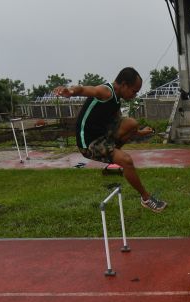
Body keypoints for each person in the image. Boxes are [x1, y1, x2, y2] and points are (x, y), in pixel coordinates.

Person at [54, 68, 167, 212]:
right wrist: (70, 91)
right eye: (134, 91)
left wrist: (139, 133)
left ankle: (114, 157)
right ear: (124, 85)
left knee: (132, 123)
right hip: (89, 143)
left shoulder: (116, 100)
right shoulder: (106, 92)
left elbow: (118, 123)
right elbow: (86, 89)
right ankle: (146, 198)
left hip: (102, 135)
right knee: (126, 161)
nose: (135, 95)